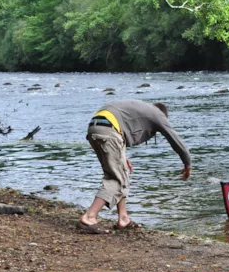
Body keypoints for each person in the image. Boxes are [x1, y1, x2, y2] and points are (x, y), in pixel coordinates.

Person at [78, 100, 191, 234]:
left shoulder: (143, 108)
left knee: (122, 172)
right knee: (116, 179)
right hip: (109, 130)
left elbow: (120, 124)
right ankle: (89, 217)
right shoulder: (158, 115)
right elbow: (174, 138)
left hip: (95, 126)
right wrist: (187, 163)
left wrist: (122, 156)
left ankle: (123, 218)